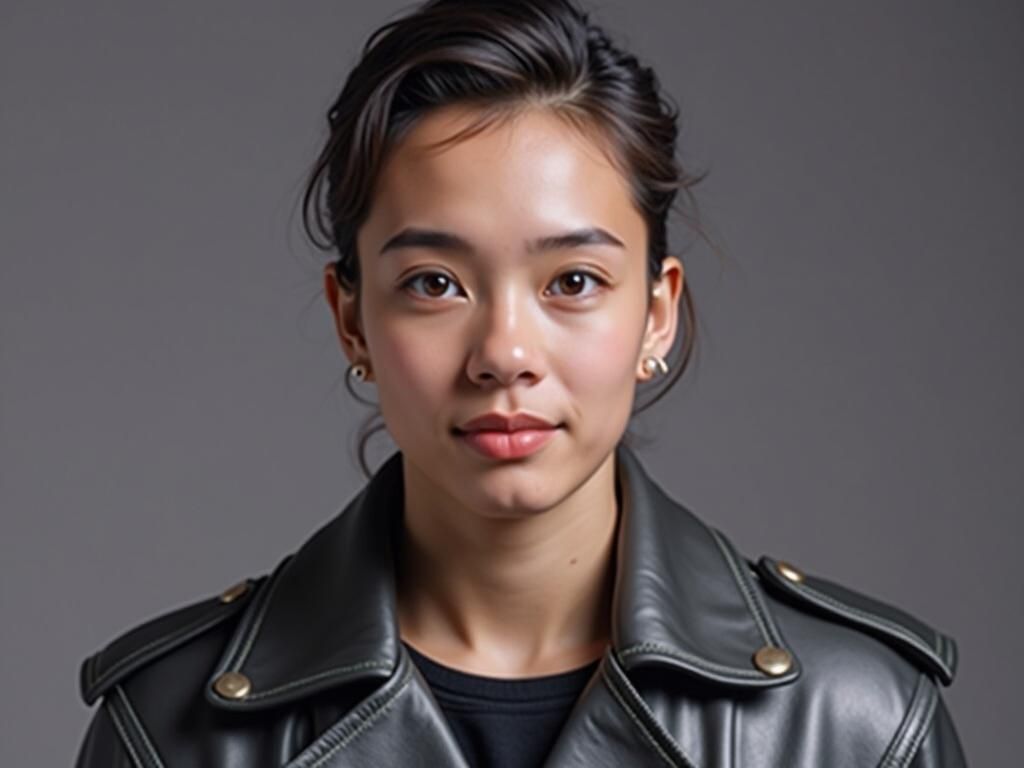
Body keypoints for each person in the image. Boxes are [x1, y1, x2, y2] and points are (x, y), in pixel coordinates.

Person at [73, 1, 968, 766]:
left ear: (657, 313)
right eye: (434, 283)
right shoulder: (168, 727)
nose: (504, 353)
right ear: (353, 320)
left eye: (572, 281)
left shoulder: (858, 722)